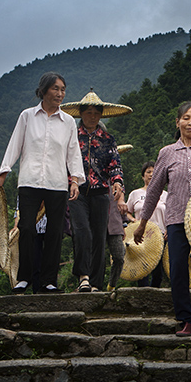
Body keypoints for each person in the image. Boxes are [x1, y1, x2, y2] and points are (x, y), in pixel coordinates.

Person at [133, 101, 191, 336]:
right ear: (177, 122)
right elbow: (154, 190)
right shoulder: (167, 153)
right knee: (177, 269)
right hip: (176, 220)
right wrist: (142, 223)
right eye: (186, 118)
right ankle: (186, 319)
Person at [0, 72, 83, 294]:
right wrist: (3, 173)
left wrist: (75, 180)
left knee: (54, 231)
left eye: (63, 89)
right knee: (26, 228)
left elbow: (73, 153)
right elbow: (15, 144)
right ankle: (24, 278)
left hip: (57, 182)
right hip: (30, 181)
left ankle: (49, 281)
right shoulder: (27, 116)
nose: (60, 93)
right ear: (43, 90)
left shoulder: (68, 121)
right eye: (55, 89)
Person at [61, 94, 126, 292]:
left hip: (100, 192)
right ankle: (84, 277)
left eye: (97, 113)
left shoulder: (108, 139)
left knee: (99, 236)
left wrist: (117, 183)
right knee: (82, 231)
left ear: (101, 115)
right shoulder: (71, 136)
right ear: (81, 114)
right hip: (76, 191)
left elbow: (115, 165)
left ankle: (97, 283)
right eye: (88, 112)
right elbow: (63, 162)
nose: (92, 116)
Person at [126, 160, 168, 288]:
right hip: (141, 234)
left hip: (160, 235)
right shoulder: (135, 194)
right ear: (143, 176)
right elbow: (127, 212)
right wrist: (133, 221)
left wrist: (169, 229)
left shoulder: (165, 195)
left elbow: (170, 214)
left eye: (154, 172)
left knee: (158, 269)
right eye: (148, 172)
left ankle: (154, 294)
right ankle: (142, 294)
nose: (151, 174)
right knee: (142, 267)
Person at [104, 194, 127, 292]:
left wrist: (124, 224)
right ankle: (94, 285)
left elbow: (122, 205)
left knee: (119, 256)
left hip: (115, 223)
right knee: (96, 257)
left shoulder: (118, 183)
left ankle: (112, 285)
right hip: (98, 223)